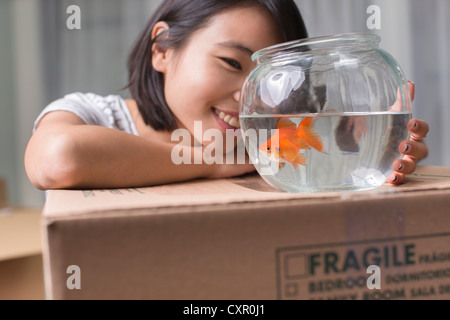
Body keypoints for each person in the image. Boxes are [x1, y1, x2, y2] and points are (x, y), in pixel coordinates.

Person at [24, 0, 429, 190]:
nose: (251, 98)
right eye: (232, 64)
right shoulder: (91, 114)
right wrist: (215, 162)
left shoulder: (275, 143)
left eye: (272, 79)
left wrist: (376, 154)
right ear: (162, 49)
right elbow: (59, 159)